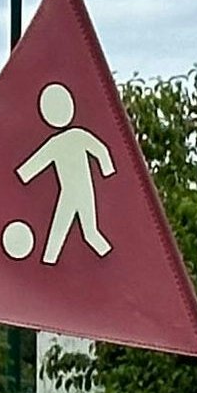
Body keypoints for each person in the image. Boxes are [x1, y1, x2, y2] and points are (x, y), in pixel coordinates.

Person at [12, 82, 117, 264]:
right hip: (73, 192)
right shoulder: (65, 139)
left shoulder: (73, 137)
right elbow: (34, 164)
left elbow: (101, 151)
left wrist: (108, 170)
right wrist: (23, 175)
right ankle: (49, 262)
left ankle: (111, 263)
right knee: (77, 231)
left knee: (85, 232)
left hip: (80, 191)